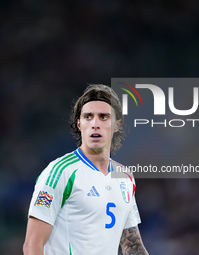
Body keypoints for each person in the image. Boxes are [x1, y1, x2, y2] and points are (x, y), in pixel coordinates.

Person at [23, 84, 149, 255]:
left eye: (104, 117)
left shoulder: (125, 177)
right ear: (79, 124)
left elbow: (132, 246)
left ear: (117, 124)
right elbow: (32, 246)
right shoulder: (60, 172)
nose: (95, 124)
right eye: (88, 117)